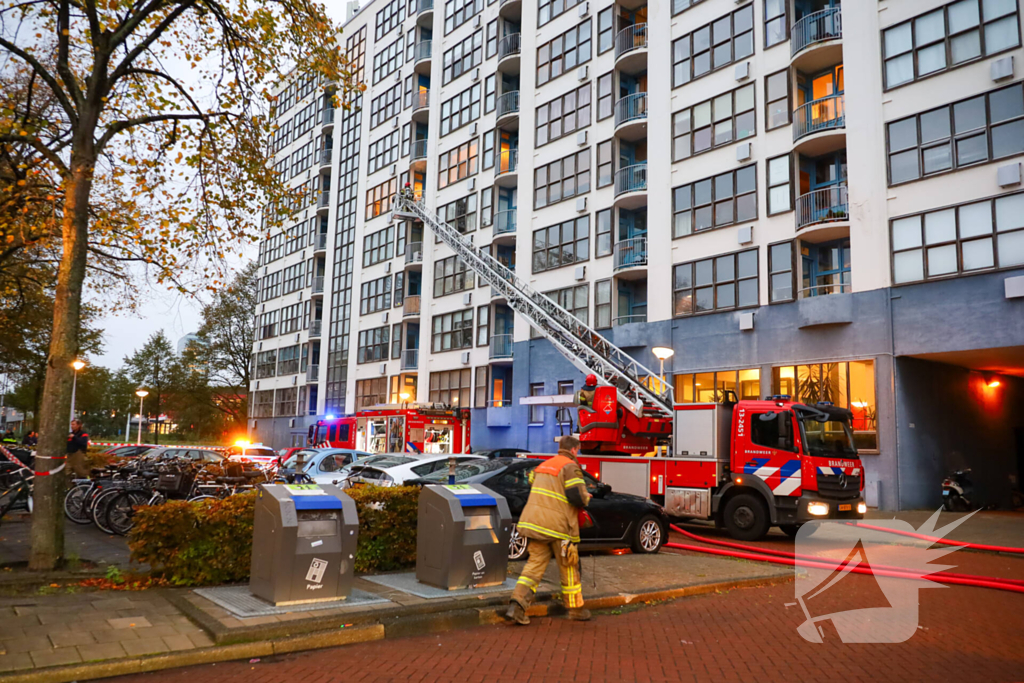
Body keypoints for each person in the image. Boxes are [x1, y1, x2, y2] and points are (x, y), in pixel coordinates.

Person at [506, 435, 592, 625]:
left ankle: (517, 606)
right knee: (569, 565)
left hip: (536, 525)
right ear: (574, 450)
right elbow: (577, 497)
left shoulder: (544, 465)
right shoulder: (570, 467)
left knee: (533, 567)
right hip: (559, 529)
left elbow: (532, 481)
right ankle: (575, 609)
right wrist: (586, 496)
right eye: (577, 450)